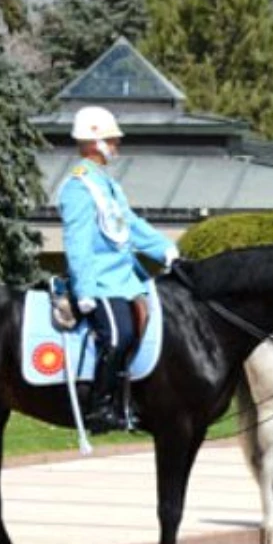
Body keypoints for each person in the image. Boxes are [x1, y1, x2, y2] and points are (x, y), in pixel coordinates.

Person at [59, 106, 179, 433]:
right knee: (118, 335)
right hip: (101, 283)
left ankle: (129, 402)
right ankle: (98, 409)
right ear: (95, 143)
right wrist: (84, 290)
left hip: (125, 279)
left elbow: (130, 226)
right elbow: (78, 243)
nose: (117, 146)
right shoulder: (79, 187)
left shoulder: (108, 185)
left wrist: (163, 248)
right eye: (112, 140)